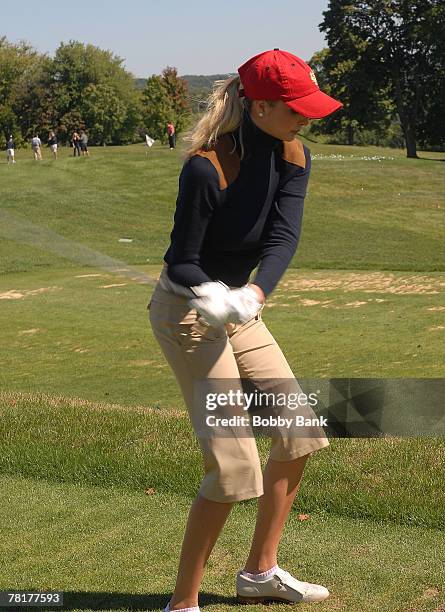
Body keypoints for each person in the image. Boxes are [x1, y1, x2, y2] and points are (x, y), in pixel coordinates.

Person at [147, 49, 343, 612]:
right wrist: (212, 294)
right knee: (235, 466)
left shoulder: (296, 157)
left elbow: (283, 237)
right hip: (186, 310)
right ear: (260, 105)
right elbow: (182, 259)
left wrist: (253, 295)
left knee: (299, 431)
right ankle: (182, 603)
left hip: (241, 307)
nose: (306, 118)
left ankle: (259, 572)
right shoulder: (206, 167)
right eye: (296, 108)